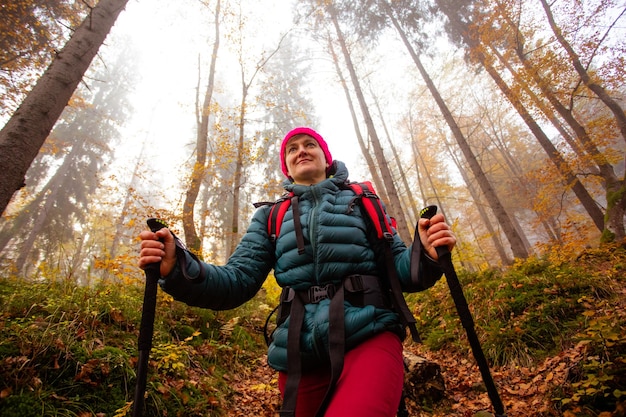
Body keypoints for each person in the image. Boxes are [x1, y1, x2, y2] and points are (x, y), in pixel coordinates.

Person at [139, 127, 456, 417]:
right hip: (298, 351)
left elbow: (402, 273)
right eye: (292, 148)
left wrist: (426, 253)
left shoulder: (364, 201)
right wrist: (178, 267)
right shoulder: (270, 216)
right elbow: (236, 282)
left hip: (369, 334)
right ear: (286, 167)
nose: (301, 150)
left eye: (310, 144)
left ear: (326, 158)